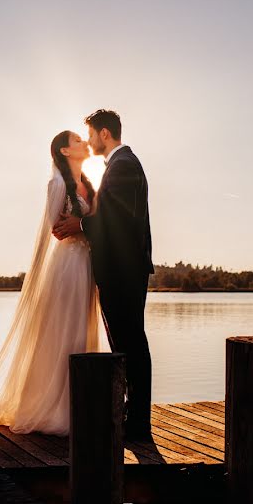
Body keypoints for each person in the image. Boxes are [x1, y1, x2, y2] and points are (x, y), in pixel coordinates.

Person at [0, 130, 106, 435]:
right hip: (68, 267)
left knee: (83, 332)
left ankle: (81, 401)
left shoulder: (88, 184)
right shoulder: (58, 184)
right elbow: (55, 230)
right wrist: (82, 229)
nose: (84, 143)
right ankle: (56, 408)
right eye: (77, 140)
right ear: (63, 151)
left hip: (87, 265)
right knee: (67, 333)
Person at [53, 109, 154, 439]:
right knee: (124, 342)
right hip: (121, 269)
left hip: (124, 270)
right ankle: (131, 413)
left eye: (91, 134)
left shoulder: (123, 165)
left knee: (130, 344)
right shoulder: (121, 165)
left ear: (104, 134)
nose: (90, 140)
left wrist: (80, 224)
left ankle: (137, 422)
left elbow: (117, 219)